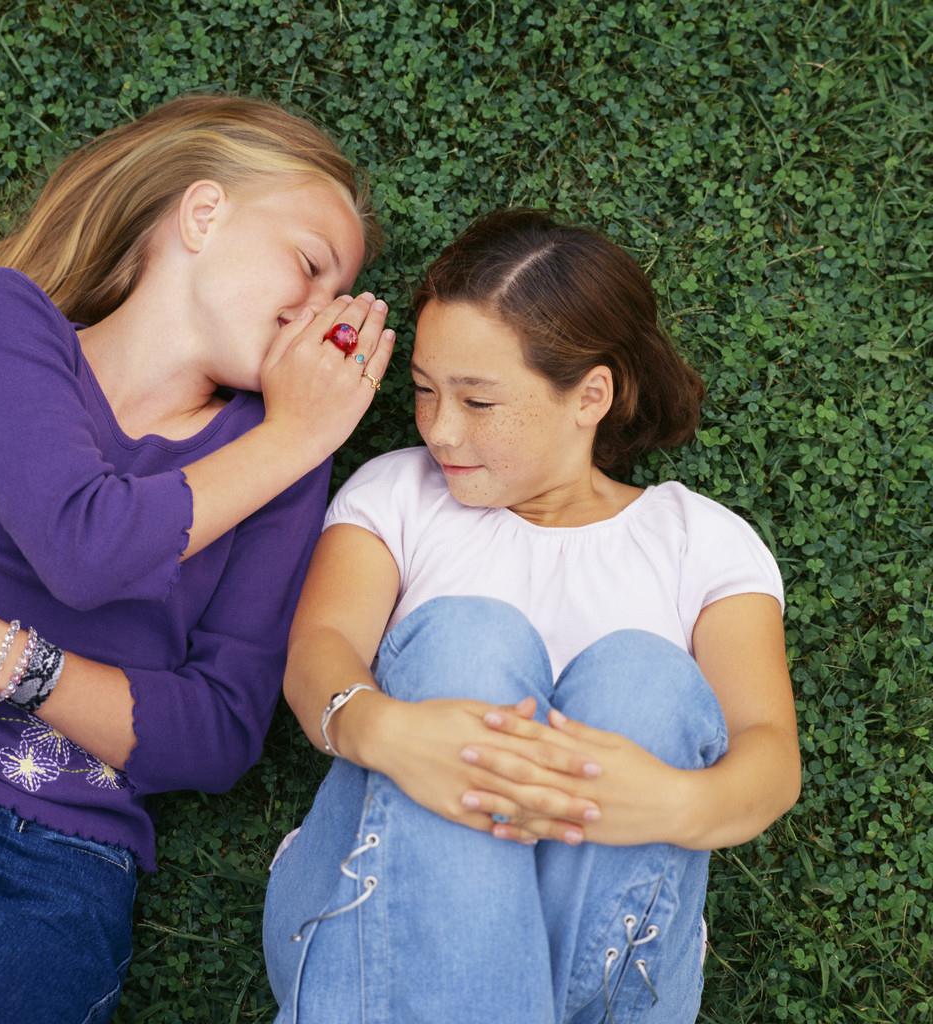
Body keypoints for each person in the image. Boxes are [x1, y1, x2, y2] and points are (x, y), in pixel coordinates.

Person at [0, 93, 394, 1024]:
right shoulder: (4, 324)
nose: (318, 312)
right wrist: (296, 436)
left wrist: (0, 659)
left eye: (337, 296)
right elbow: (82, 544)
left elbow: (217, 734)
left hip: (57, 867)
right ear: (204, 214)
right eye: (309, 262)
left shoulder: (279, 467)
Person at [262, 210, 801, 1023]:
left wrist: (667, 805)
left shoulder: (703, 543)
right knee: (468, 638)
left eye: (479, 401)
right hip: (367, 929)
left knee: (643, 679)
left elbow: (770, 756)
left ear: (591, 395)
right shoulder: (398, 494)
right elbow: (319, 652)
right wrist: (387, 733)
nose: (440, 429)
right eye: (425, 392)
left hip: (605, 959)